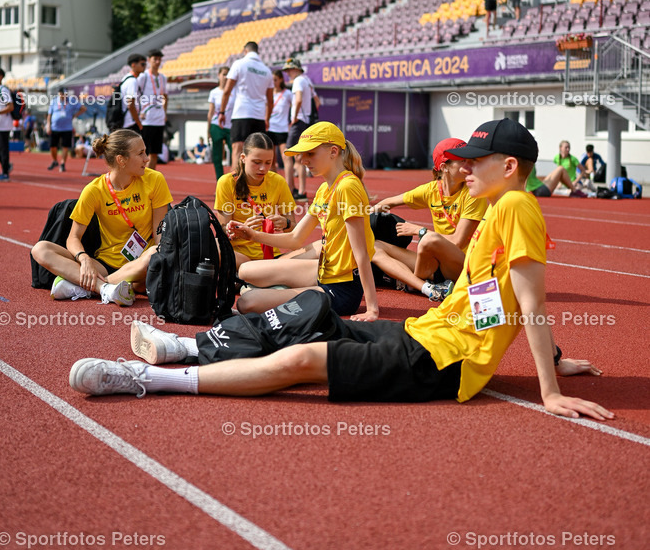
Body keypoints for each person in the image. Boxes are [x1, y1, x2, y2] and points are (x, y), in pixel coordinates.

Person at [69, 118, 614, 425]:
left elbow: (531, 303)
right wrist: (558, 359)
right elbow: (503, 296)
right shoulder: (503, 208)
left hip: (443, 361)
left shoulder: (516, 208)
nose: (462, 169)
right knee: (300, 317)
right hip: (426, 334)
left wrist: (547, 389)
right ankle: (183, 348)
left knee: (302, 356)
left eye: (475, 161)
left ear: (510, 167)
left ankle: (148, 379)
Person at [231, 122, 379, 321]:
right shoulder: (325, 189)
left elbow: (361, 253)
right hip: (324, 272)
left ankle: (283, 292)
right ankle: (284, 290)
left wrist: (372, 309)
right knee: (246, 270)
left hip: (342, 288)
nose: (303, 160)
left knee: (246, 302)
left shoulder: (347, 187)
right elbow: (294, 238)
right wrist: (253, 235)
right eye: (302, 155)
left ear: (333, 152)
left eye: (310, 154)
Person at [31, 129, 173, 306]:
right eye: (140, 153)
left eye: (145, 151)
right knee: (40, 249)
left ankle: (92, 287)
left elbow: (160, 236)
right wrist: (84, 259)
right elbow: (73, 238)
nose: (147, 158)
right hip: (105, 262)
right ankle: (108, 288)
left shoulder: (155, 180)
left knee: (156, 253)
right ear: (121, 160)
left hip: (142, 263)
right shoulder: (94, 190)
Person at [369, 137, 487, 301]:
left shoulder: (474, 194)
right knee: (373, 246)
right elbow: (389, 202)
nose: (469, 166)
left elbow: (457, 241)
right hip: (434, 264)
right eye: (462, 161)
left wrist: (419, 230)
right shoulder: (431, 190)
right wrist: (362, 218)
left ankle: (411, 282)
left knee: (428, 239)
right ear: (444, 167)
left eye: (470, 160)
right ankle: (426, 286)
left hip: (464, 265)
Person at [214, 131, 296, 270]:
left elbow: (294, 232)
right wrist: (240, 229)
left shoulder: (278, 182)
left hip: (271, 257)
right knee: (211, 245)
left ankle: (253, 278)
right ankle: (257, 276)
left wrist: (286, 223)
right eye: (256, 162)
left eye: (268, 162)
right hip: (240, 257)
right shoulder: (226, 182)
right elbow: (223, 233)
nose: (263, 168)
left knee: (317, 250)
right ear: (243, 158)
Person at [218, 42, 273, 169]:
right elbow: (270, 101)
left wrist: (221, 112)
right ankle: (254, 188)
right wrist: (267, 119)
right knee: (257, 155)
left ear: (245, 51)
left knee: (237, 151)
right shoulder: (267, 71)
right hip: (259, 116)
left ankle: (235, 187)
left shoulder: (239, 64)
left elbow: (226, 91)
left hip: (242, 113)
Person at [284, 57, 319, 200]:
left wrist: (294, 117)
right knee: (300, 157)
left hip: (299, 121)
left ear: (297, 69)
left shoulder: (298, 81)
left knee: (288, 154)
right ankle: (302, 191)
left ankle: (289, 189)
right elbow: (317, 102)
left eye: (290, 69)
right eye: (287, 70)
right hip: (306, 121)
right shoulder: (307, 81)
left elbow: (298, 99)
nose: (288, 72)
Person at [139, 48, 168, 169]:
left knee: (155, 152)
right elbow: (135, 95)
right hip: (146, 118)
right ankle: (140, 178)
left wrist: (164, 112)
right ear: (149, 60)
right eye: (155, 59)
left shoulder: (163, 78)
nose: (157, 62)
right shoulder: (143, 76)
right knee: (143, 152)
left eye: (159, 59)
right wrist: (139, 111)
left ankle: (149, 180)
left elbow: (165, 96)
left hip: (159, 118)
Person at [45, 89, 86, 171]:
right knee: (52, 146)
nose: (62, 96)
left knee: (65, 146)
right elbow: (49, 115)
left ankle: (63, 163)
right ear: (58, 94)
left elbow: (83, 108)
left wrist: (75, 115)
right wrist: (48, 125)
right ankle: (54, 161)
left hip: (67, 128)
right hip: (55, 127)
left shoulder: (71, 100)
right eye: (61, 94)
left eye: (64, 94)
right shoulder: (54, 101)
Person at [206, 66, 233, 181]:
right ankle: (220, 182)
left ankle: (235, 182)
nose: (226, 77)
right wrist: (208, 129)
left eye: (228, 74)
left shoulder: (234, 91)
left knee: (236, 153)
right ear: (219, 75)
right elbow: (211, 111)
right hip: (216, 126)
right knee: (217, 157)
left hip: (231, 126)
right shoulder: (214, 92)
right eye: (224, 74)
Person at [268, 69, 293, 180]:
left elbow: (295, 107)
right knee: (271, 160)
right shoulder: (268, 93)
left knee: (286, 157)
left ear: (281, 79)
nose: (273, 82)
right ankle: (273, 185)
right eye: (272, 80)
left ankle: (288, 186)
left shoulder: (287, 93)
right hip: (270, 128)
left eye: (275, 80)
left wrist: (292, 121)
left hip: (282, 129)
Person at [121, 54, 146, 133]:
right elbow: (130, 105)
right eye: (142, 64)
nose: (144, 66)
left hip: (126, 121)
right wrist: (139, 123)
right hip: (130, 123)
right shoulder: (132, 81)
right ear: (133, 65)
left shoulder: (126, 78)